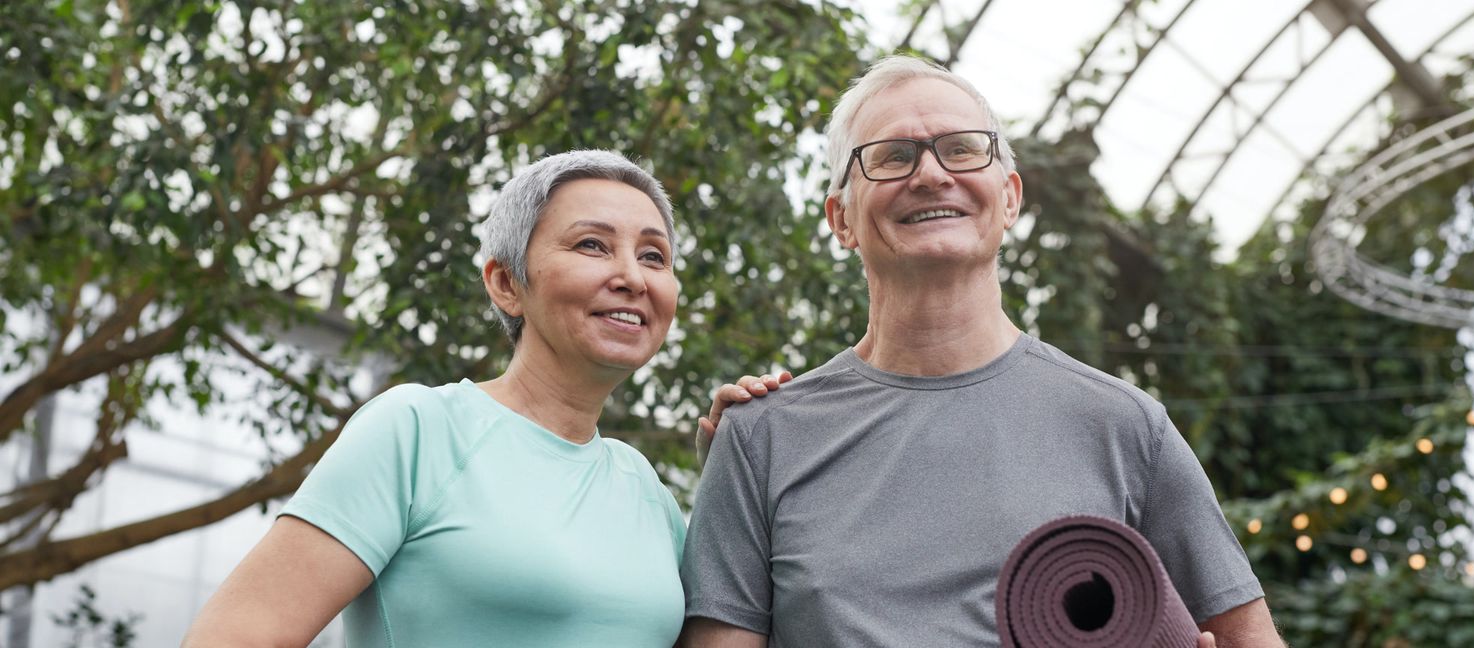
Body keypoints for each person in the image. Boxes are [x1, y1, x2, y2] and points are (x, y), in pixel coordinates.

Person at [679, 56, 1286, 647]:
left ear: (1010, 199)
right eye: (893, 156)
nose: (931, 175)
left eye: (963, 148)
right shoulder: (761, 437)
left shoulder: (1125, 426)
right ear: (841, 219)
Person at [184, 150, 691, 646]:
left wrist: (748, 447)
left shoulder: (649, 492)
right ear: (506, 283)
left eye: (654, 256)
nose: (632, 277)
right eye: (592, 245)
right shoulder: (418, 431)